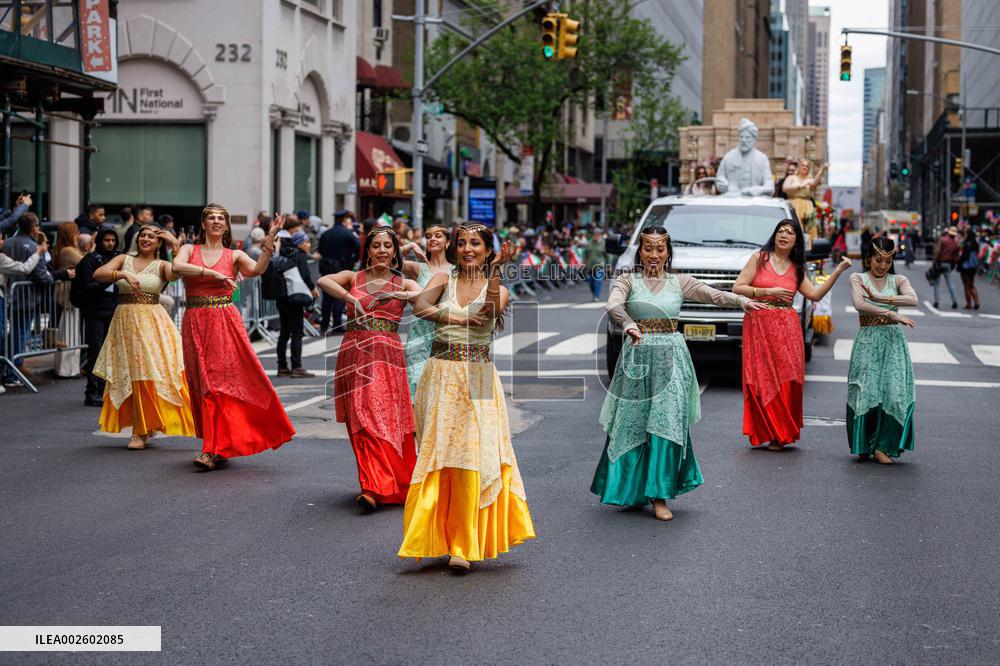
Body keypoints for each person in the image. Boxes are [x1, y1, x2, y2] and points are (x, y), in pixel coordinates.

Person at [593, 227, 764, 520]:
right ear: (641, 251)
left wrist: (742, 301)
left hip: (671, 361)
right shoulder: (628, 280)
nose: (654, 255)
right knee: (634, 424)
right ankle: (631, 490)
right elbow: (613, 304)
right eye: (649, 248)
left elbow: (713, 295)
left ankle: (660, 496)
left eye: (660, 249)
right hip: (638, 359)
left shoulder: (679, 281)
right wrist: (628, 324)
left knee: (665, 422)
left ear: (668, 252)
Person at [398, 224, 534, 573]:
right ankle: (435, 537)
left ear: (488, 250)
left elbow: (487, 313)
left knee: (475, 452)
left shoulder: (498, 287)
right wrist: (456, 315)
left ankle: (463, 543)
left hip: (478, 375)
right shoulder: (442, 280)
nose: (467, 249)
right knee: (439, 452)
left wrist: (498, 269)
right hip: (439, 373)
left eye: (475, 243)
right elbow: (420, 307)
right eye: (462, 243)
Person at [171, 204, 294, 471]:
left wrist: (270, 238)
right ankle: (219, 443)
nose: (216, 222)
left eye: (221, 219)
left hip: (224, 321)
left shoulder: (235, 254)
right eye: (211, 218)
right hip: (195, 321)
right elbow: (177, 266)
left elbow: (257, 270)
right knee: (202, 382)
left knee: (218, 383)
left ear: (226, 226)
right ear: (203, 224)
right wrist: (210, 273)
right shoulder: (189, 250)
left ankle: (210, 450)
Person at [319, 227, 422, 513]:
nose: (382, 251)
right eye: (376, 246)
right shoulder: (354, 277)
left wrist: (405, 295)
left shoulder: (403, 281)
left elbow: (428, 297)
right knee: (360, 421)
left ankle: (383, 485)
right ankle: (373, 485)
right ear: (368, 250)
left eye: (388, 246)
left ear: (395, 251)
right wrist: (351, 299)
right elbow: (323, 280)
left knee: (378, 418)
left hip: (386, 357)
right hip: (354, 352)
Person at [732, 220, 852, 450]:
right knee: (760, 379)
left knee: (786, 379)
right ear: (774, 236)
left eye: (790, 232)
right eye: (780, 231)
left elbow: (815, 295)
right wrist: (767, 291)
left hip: (786, 328)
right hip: (759, 324)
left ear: (797, 240)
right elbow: (738, 287)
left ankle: (781, 433)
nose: (784, 235)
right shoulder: (760, 258)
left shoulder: (797, 267)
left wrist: (837, 271)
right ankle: (766, 430)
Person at [91, 223, 195, 449]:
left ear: (159, 243)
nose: (146, 239)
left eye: (151, 236)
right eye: (143, 235)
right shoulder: (123, 259)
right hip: (124, 322)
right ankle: (145, 423)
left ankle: (140, 431)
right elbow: (98, 274)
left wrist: (176, 245)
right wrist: (122, 274)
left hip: (151, 324)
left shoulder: (162, 265)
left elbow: (177, 274)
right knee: (129, 373)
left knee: (147, 372)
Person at [847, 236, 917, 464]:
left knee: (894, 393)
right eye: (878, 260)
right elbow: (860, 304)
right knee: (866, 392)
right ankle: (865, 444)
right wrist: (889, 312)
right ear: (868, 258)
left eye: (887, 261)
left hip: (893, 341)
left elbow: (913, 299)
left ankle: (883, 447)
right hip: (868, 340)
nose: (882, 265)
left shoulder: (899, 279)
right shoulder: (857, 277)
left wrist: (881, 297)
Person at [1, 214, 62, 387]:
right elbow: (40, 275)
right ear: (33, 227)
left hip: (8, 295)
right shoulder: (34, 247)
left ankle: (9, 369)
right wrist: (51, 279)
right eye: (36, 226)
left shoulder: (7, 243)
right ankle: (12, 371)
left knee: (13, 332)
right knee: (21, 334)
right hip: (26, 297)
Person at [400, 223, 454, 397]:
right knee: (416, 383)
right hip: (419, 335)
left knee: (440, 389)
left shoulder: (457, 271)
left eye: (438, 235)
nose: (432, 239)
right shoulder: (418, 268)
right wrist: (409, 246)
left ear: (447, 243)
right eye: (428, 236)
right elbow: (383, 259)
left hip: (445, 334)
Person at [74, 225, 121, 405]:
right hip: (94, 311)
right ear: (99, 241)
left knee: (110, 352)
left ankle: (104, 390)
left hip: (113, 309)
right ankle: (92, 391)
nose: (110, 243)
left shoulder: (118, 258)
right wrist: (108, 279)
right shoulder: (90, 260)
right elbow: (87, 287)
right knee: (96, 351)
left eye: (112, 240)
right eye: (106, 240)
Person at [0, 233, 46, 394]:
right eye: (0, 239)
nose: (3, 242)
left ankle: (8, 372)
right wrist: (38, 254)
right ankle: (8, 372)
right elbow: (24, 268)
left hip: (8, 298)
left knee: (7, 334)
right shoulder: (1, 258)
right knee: (5, 335)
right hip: (7, 298)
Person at [274, 229, 317, 378]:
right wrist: (313, 289)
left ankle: (282, 366)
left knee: (284, 332)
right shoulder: (298, 255)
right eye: (306, 241)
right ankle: (297, 366)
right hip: (296, 298)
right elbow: (305, 275)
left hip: (281, 297)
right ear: (299, 243)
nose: (309, 244)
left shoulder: (281, 254)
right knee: (297, 332)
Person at [317, 209, 360, 334]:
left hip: (326, 267)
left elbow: (320, 249)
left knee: (326, 297)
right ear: (343, 220)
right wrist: (354, 259)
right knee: (339, 296)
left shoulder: (326, 234)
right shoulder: (346, 233)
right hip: (341, 267)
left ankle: (324, 325)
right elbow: (357, 245)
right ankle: (337, 325)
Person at [52, 222, 85, 378]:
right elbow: (86, 263)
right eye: (76, 232)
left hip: (68, 294)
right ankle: (66, 369)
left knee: (69, 329)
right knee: (69, 330)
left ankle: (69, 368)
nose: (78, 235)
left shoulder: (63, 250)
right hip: (69, 294)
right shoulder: (68, 251)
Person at [715, 117, 774, 196]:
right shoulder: (729, 157)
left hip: (755, 202)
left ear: (754, 139)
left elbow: (770, 187)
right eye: (741, 137)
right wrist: (722, 182)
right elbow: (719, 177)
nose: (744, 140)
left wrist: (757, 189)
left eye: (747, 138)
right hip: (732, 200)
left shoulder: (762, 159)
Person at [782, 159, 828, 241]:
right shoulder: (792, 177)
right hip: (793, 204)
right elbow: (785, 188)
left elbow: (815, 183)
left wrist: (822, 170)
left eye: (807, 166)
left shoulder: (810, 180)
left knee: (810, 228)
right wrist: (799, 186)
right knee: (793, 226)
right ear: (799, 167)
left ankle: (809, 248)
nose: (804, 167)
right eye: (803, 165)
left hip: (807, 205)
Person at [931, 226, 961, 310]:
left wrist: (934, 262)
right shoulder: (956, 244)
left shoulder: (942, 240)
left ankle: (936, 301)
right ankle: (954, 301)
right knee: (950, 283)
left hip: (939, 263)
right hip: (948, 264)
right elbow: (956, 258)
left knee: (936, 283)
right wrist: (952, 266)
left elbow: (937, 251)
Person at [581, 228, 608, 301]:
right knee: (591, 282)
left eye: (597, 234)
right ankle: (594, 294)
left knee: (598, 281)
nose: (595, 235)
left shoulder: (603, 243)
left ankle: (596, 296)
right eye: (594, 234)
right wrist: (584, 262)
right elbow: (585, 253)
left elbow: (607, 255)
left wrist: (608, 265)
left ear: (600, 235)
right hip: (590, 266)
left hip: (600, 266)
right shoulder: (589, 243)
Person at [958, 227, 981, 310]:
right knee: (972, 284)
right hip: (973, 266)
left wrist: (959, 262)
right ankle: (977, 301)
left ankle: (969, 303)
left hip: (965, 267)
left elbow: (964, 256)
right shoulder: (975, 243)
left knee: (966, 285)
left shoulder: (966, 244)